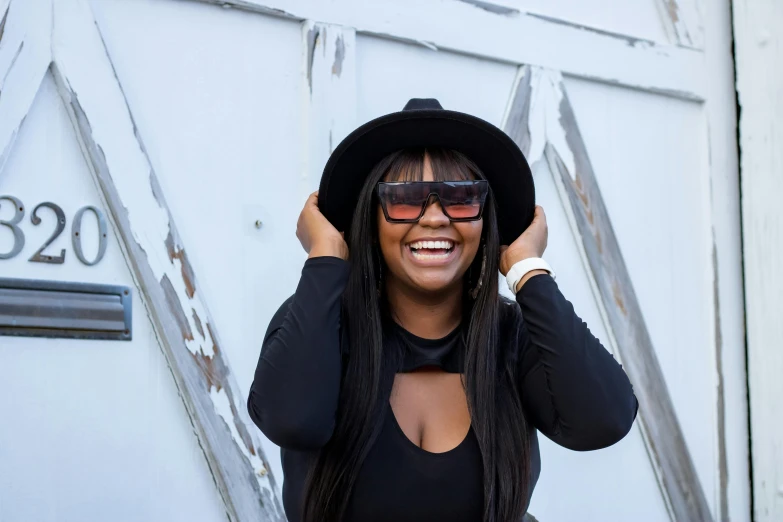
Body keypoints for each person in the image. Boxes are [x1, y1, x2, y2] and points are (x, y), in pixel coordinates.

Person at [247, 99, 638, 522]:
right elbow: (291, 419)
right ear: (371, 219)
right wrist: (326, 257)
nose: (434, 217)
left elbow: (605, 420)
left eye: (462, 197)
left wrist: (527, 268)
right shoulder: (324, 324)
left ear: (484, 219)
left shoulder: (512, 337)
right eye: (403, 199)